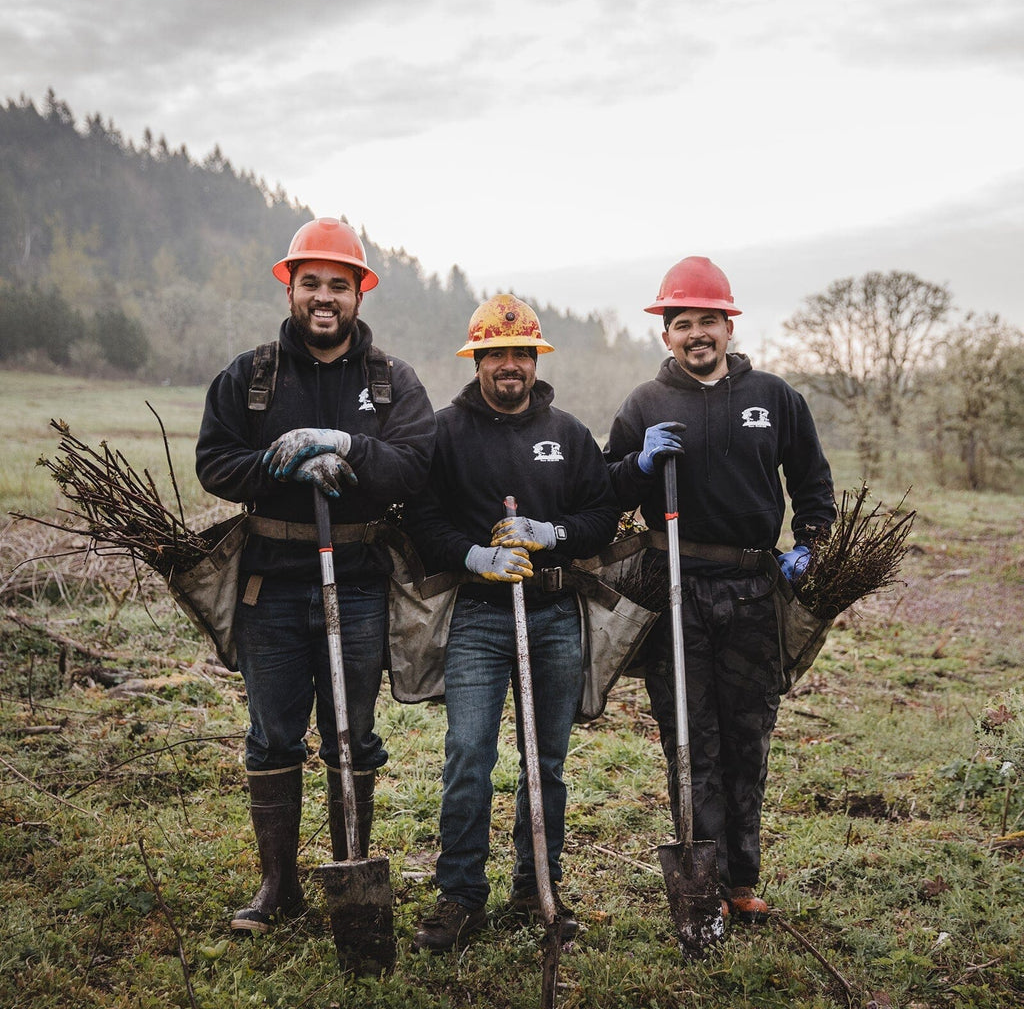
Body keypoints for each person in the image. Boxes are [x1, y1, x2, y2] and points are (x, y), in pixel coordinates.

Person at [195, 216, 436, 934]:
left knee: (350, 735)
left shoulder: (391, 382)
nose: (324, 297)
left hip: (358, 584)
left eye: (339, 284)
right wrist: (279, 461)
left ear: (360, 292)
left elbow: (415, 469)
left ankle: (348, 870)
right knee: (272, 737)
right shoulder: (252, 375)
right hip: (269, 586)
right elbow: (215, 463)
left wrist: (346, 446)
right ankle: (277, 887)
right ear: (291, 288)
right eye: (311, 284)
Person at [604, 256, 834, 924]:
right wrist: (637, 463)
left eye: (708, 320)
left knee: (747, 738)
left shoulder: (775, 397)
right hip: (676, 595)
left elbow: (812, 484)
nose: (696, 333)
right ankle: (700, 884)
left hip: (755, 593)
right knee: (689, 738)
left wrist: (808, 548)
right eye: (682, 323)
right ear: (665, 333)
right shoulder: (645, 404)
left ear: (729, 325)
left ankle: (740, 881)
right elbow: (604, 490)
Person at [402, 294, 620, 952]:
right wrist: (474, 554)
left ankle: (537, 891)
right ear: (476, 360)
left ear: (534, 359)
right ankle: (461, 896)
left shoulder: (570, 435)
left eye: (520, 354)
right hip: (478, 616)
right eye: (494, 354)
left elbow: (601, 518)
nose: (508, 366)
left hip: (554, 614)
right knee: (469, 753)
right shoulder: (444, 432)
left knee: (545, 764)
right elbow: (420, 517)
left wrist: (550, 532)